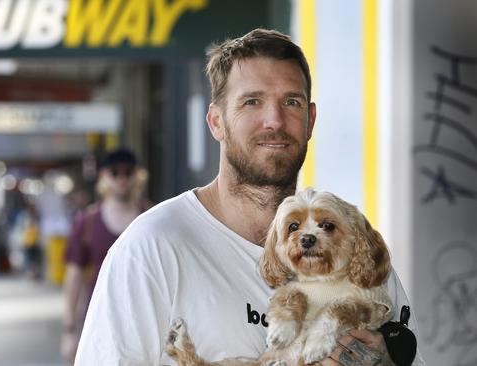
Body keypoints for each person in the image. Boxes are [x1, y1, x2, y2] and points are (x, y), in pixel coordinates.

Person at [74, 28, 425, 365]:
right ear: (216, 122)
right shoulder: (153, 246)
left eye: (292, 102)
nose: (274, 120)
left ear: (311, 120)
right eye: (252, 102)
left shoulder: (352, 244)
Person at [61, 148, 152, 364]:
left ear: (137, 177)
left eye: (128, 173)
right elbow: (74, 275)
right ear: (104, 177)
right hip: (99, 321)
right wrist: (69, 330)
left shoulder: (151, 218)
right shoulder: (87, 222)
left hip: (145, 322)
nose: (122, 179)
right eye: (115, 173)